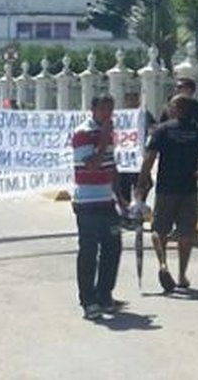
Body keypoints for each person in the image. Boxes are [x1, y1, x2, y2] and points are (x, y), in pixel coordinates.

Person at [137, 95, 198, 292]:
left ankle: (163, 264)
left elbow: (150, 157)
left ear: (175, 108)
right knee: (186, 232)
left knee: (159, 229)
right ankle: (182, 274)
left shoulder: (163, 130)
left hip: (166, 188)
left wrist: (142, 180)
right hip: (189, 187)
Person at [71, 95, 126, 320]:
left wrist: (121, 198)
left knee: (113, 248)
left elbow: (110, 166)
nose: (108, 114)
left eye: (111, 110)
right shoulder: (83, 133)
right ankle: (88, 300)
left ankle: (105, 294)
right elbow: (91, 163)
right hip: (87, 201)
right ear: (93, 109)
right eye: (103, 109)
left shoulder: (108, 134)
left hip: (106, 200)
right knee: (89, 252)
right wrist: (103, 138)